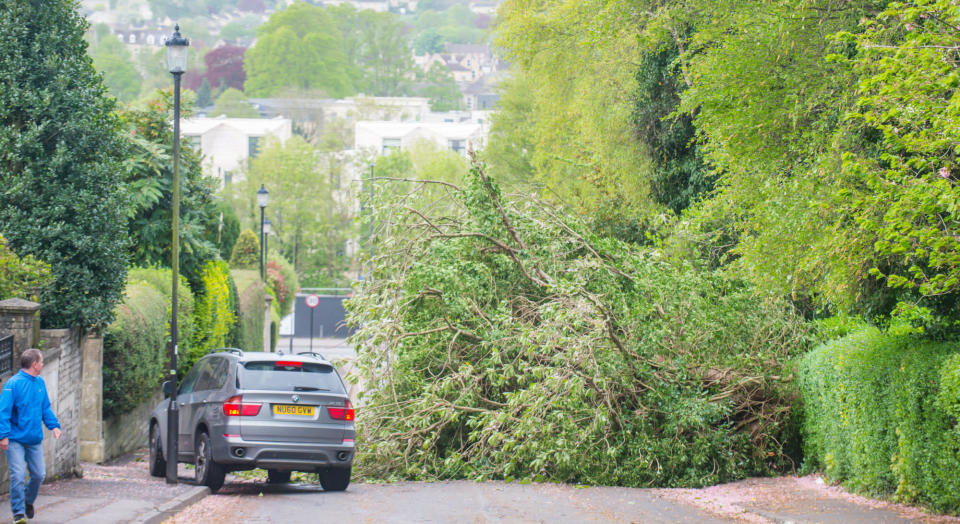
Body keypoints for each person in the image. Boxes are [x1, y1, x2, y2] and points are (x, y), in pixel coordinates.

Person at [0, 349, 61, 524]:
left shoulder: (40, 383)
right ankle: (18, 514)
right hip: (15, 440)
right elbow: (3, 412)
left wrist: (54, 426)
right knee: (18, 475)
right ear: (35, 364)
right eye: (41, 362)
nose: (42, 365)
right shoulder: (13, 384)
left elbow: (45, 408)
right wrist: (3, 435)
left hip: (34, 439)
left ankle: (28, 501)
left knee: (39, 474)